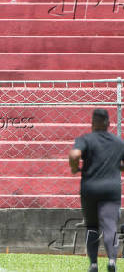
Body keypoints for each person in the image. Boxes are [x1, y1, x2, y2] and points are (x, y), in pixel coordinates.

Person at [69, 109, 123, 272]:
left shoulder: (85, 139)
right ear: (108, 123)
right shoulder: (118, 142)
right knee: (110, 225)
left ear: (92, 123)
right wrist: (117, 166)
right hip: (111, 189)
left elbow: (74, 155)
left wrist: (74, 168)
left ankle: (93, 264)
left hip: (90, 188)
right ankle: (112, 261)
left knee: (92, 226)